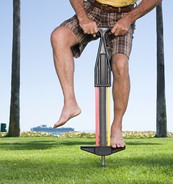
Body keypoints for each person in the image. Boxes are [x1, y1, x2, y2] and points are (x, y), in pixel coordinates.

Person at [51, 0, 161, 148]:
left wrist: (128, 19)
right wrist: (83, 17)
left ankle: (117, 126)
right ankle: (70, 104)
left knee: (120, 64)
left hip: (124, 13)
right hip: (92, 9)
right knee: (59, 36)